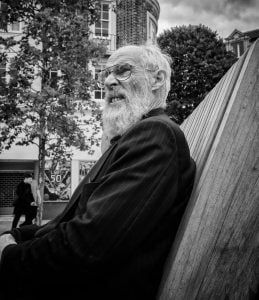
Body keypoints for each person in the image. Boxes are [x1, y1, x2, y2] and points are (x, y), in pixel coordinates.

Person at [0, 44, 196, 300]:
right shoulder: (136, 139)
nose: (109, 81)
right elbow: (71, 222)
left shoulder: (155, 135)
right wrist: (14, 234)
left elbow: (86, 246)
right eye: (107, 74)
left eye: (123, 71)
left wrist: (9, 256)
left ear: (157, 79)